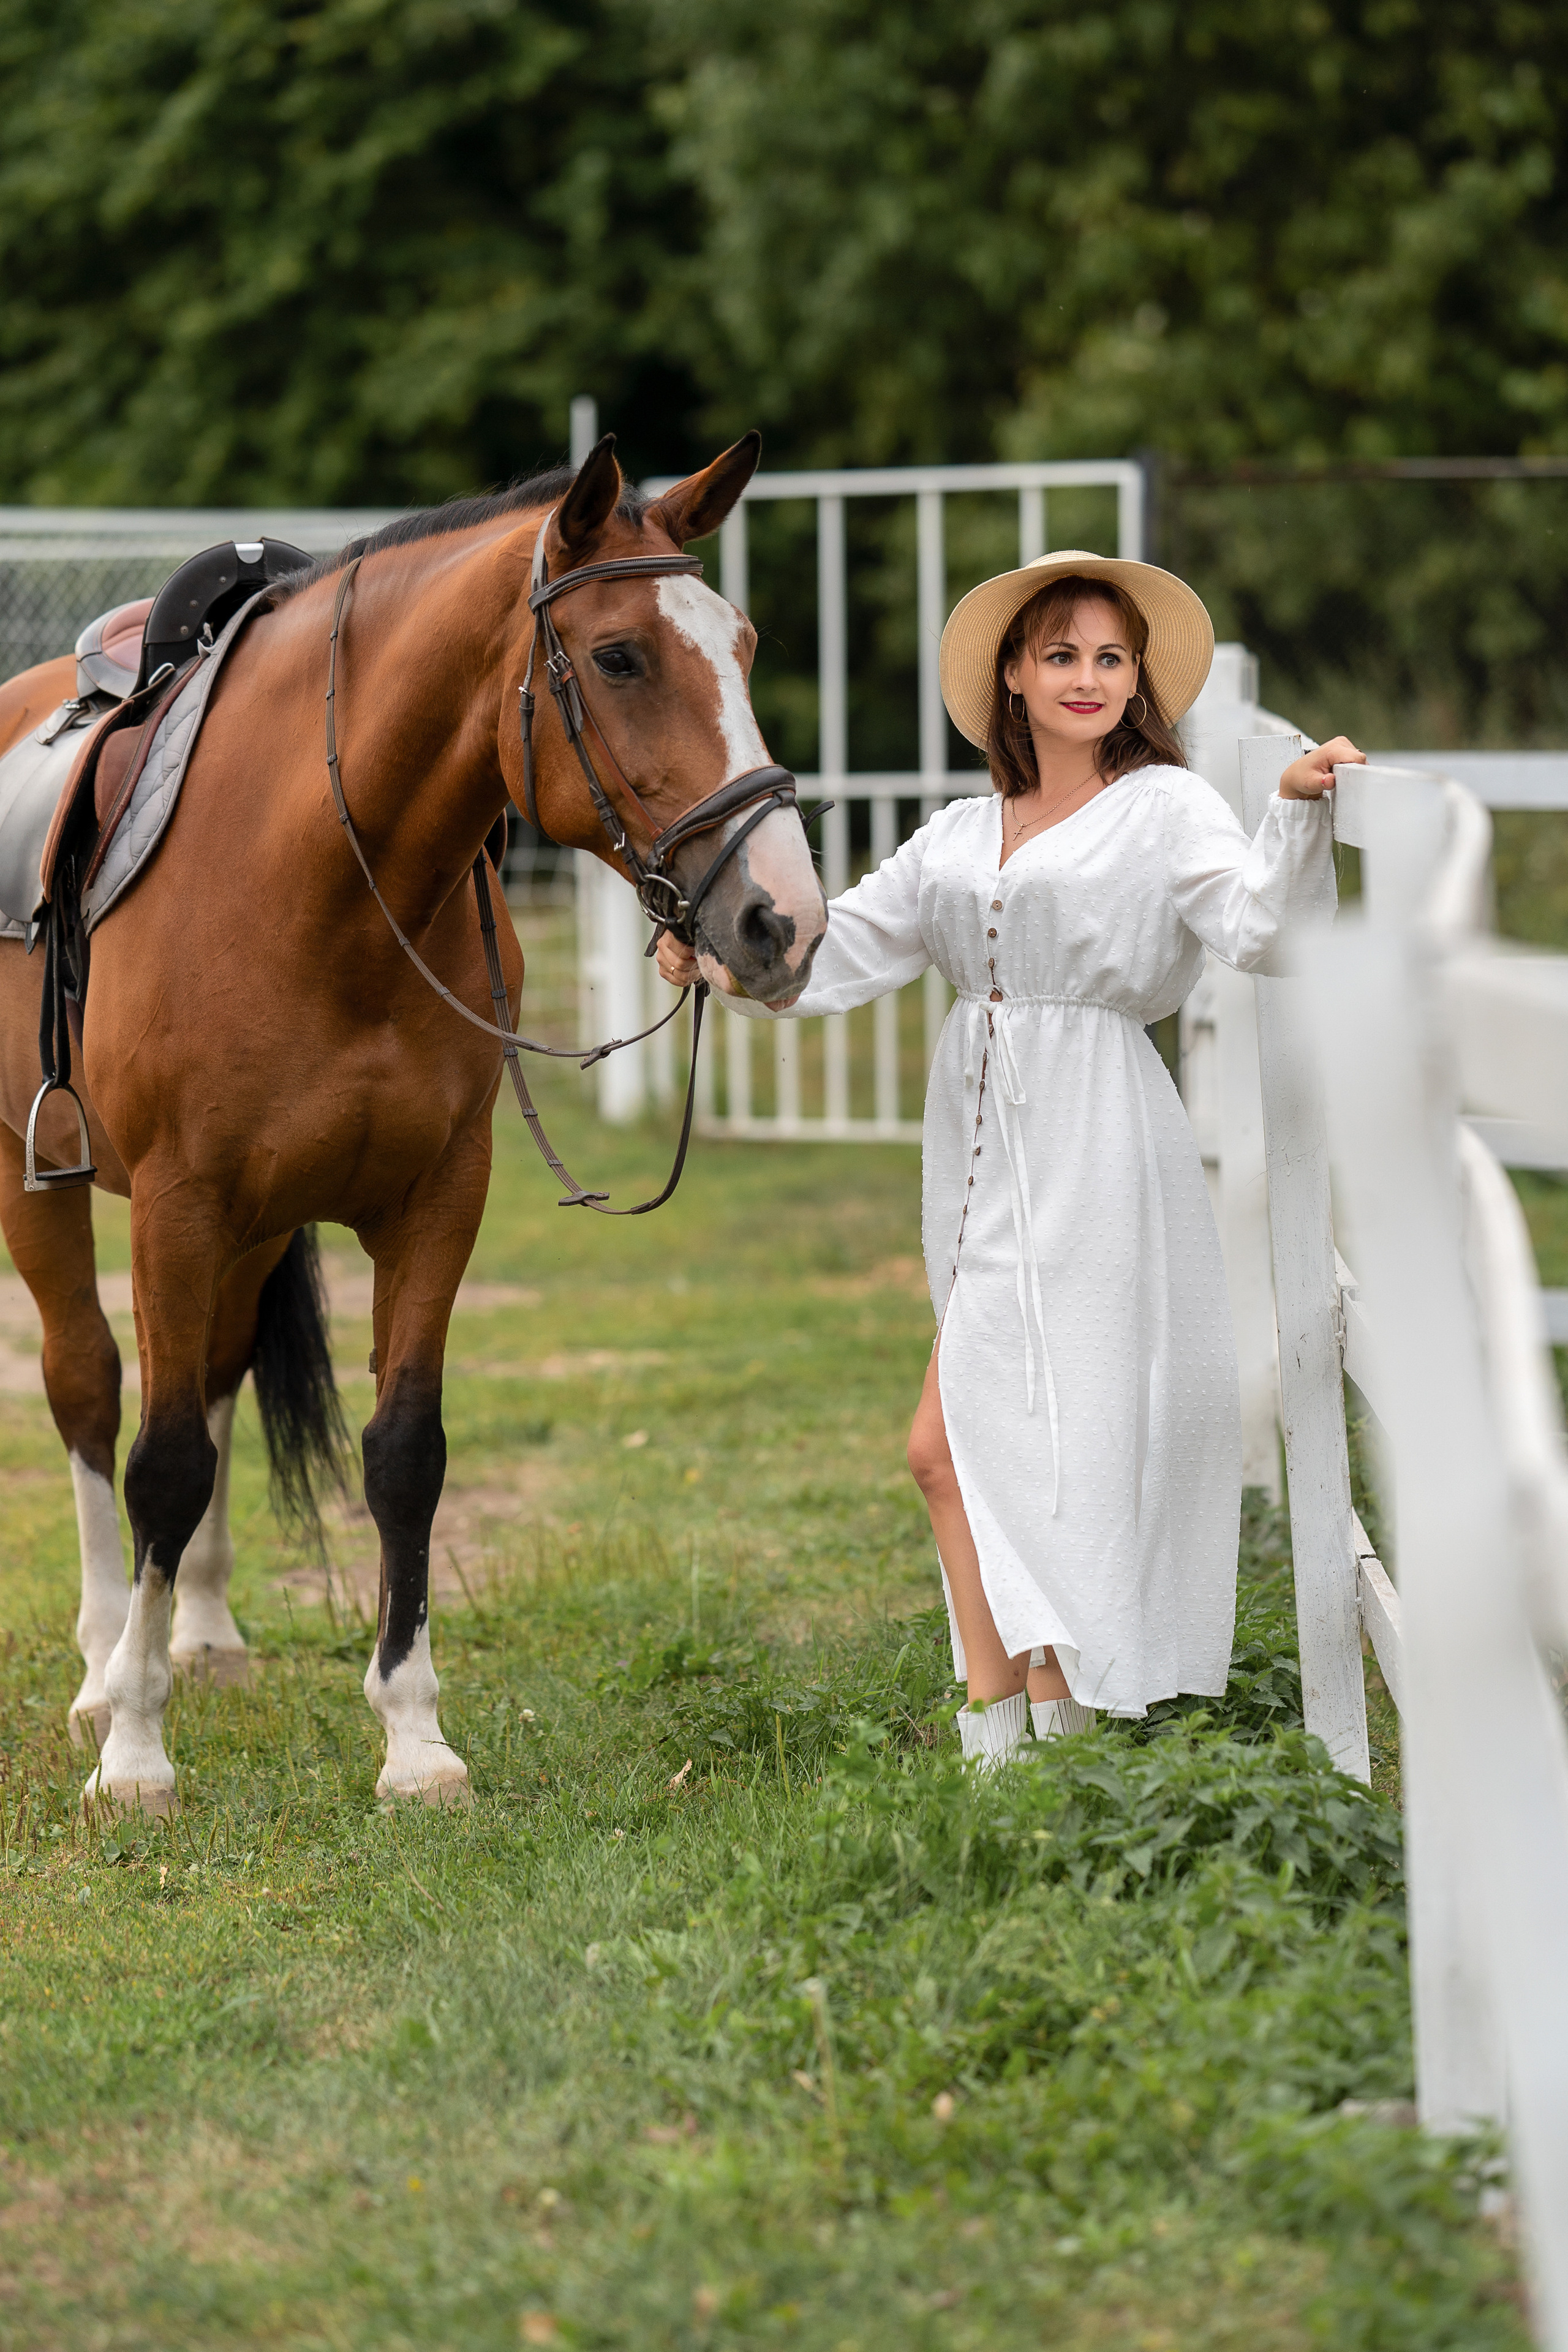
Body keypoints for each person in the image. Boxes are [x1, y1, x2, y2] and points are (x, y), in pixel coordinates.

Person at [658, 549, 1363, 1769]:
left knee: (1046, 1438)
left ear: (1136, 678)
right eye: (1059, 655)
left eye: (1108, 656)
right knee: (957, 1448)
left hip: (1097, 1143)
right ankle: (1021, 1738)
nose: (1086, 677)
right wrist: (717, 965)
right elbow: (838, 955)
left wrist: (1295, 807)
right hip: (984, 1159)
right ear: (1012, 678)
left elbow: (1257, 926)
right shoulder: (957, 833)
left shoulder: (1164, 805)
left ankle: (1035, 1743)